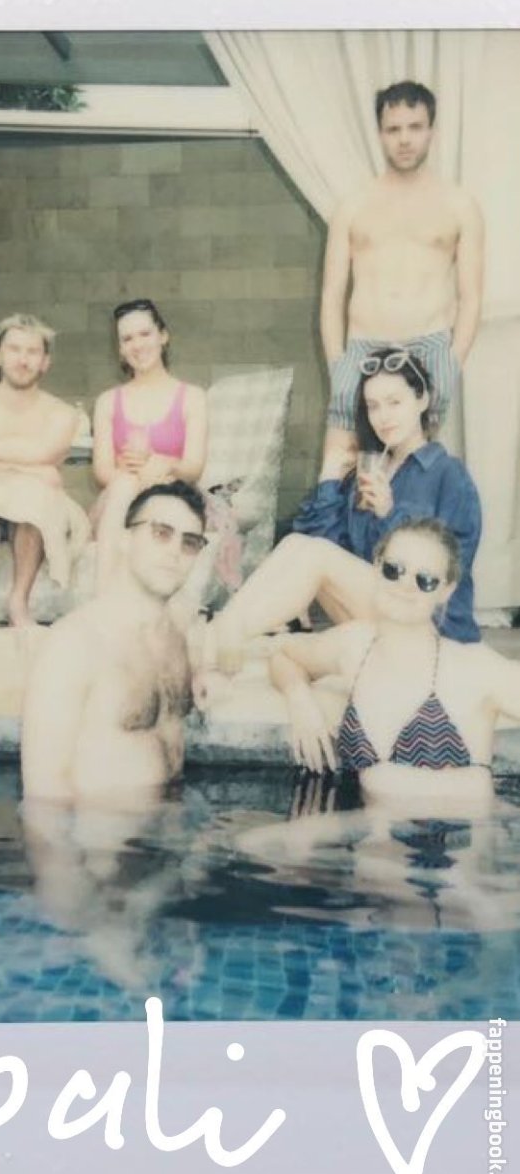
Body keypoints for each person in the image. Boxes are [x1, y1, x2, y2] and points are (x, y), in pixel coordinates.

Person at [211, 348, 482, 672]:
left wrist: (389, 514)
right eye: (373, 406)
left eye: (394, 402)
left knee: (315, 555)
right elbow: (322, 550)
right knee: (298, 544)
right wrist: (329, 480)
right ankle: (223, 632)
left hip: (432, 627)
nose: (383, 416)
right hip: (378, 617)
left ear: (422, 400)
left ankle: (215, 639)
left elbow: (444, 572)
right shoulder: (369, 472)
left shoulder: (449, 474)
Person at [267, 517, 520, 804]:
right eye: (394, 570)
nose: (405, 586)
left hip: (459, 828)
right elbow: (283, 655)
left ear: (446, 590)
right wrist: (300, 699)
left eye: (425, 580)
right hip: (361, 828)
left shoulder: (475, 670)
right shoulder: (355, 646)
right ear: (377, 567)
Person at [320, 80, 484, 468]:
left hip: (428, 348)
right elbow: (331, 296)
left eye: (415, 127)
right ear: (380, 133)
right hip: (362, 347)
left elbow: (471, 298)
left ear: (431, 130)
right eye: (393, 129)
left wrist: (451, 363)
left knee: (411, 470)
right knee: (341, 462)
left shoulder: (459, 205)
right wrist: (338, 365)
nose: (405, 139)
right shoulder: (353, 206)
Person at [21, 481, 207, 803]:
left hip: (172, 822)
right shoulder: (73, 644)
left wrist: (209, 672)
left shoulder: (176, 634)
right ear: (125, 539)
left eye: (189, 542)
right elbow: (44, 795)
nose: (175, 551)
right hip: (102, 829)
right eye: (161, 533)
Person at [0, 313, 87, 627]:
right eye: (14, 349)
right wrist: (30, 466)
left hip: (34, 514)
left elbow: (43, 453)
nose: (23, 359)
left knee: (36, 494)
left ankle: (19, 602)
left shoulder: (62, 413)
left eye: (32, 352)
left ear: (45, 362)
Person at [91, 299, 208, 590]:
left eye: (145, 334)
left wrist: (164, 463)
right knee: (123, 484)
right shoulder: (107, 401)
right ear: (120, 348)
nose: (137, 345)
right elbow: (102, 471)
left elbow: (194, 467)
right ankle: (105, 595)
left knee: (138, 486)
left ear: (163, 336)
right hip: (121, 498)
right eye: (127, 339)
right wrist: (134, 477)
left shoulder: (192, 397)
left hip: (172, 494)